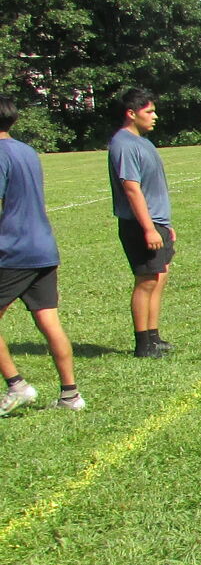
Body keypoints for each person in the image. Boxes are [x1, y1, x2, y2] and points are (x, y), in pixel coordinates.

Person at [0, 97, 82, 413]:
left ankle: (17, 386)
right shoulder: (27, 151)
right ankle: (70, 396)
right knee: (49, 322)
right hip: (43, 247)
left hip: (13, 250)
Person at [107, 88, 175, 358]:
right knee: (145, 280)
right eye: (149, 111)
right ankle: (143, 343)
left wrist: (164, 224)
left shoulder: (143, 142)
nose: (154, 116)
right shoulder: (123, 144)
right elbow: (132, 189)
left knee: (159, 277)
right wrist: (148, 228)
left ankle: (154, 336)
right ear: (131, 113)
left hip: (157, 221)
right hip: (139, 224)